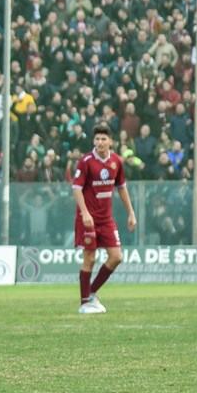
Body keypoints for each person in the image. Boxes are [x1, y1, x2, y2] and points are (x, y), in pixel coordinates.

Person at [72, 124, 137, 314]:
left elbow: (121, 187)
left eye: (103, 139)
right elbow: (76, 189)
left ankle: (91, 292)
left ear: (111, 142)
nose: (100, 142)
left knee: (116, 257)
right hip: (88, 219)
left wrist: (131, 212)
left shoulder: (116, 161)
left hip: (106, 219)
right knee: (90, 258)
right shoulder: (86, 161)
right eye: (97, 139)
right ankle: (84, 303)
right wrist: (85, 213)